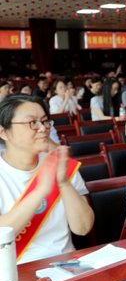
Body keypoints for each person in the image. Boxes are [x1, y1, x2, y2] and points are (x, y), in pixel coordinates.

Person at [0, 95, 94, 263]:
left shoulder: (61, 165)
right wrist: (40, 191)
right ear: (4, 132)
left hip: (65, 264)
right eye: (32, 122)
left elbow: (83, 228)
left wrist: (64, 183)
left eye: (44, 121)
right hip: (14, 271)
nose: (43, 128)